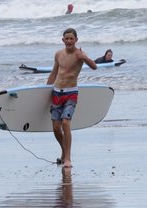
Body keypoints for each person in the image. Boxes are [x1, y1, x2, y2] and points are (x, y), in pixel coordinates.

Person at [47, 28, 97, 168]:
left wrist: (84, 58)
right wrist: (45, 90)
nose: (69, 41)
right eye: (66, 38)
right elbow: (53, 73)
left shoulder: (79, 54)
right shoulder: (58, 54)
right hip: (56, 93)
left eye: (71, 38)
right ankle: (64, 150)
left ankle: (68, 158)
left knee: (65, 123)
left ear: (76, 40)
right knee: (56, 128)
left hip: (71, 93)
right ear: (63, 40)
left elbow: (94, 67)